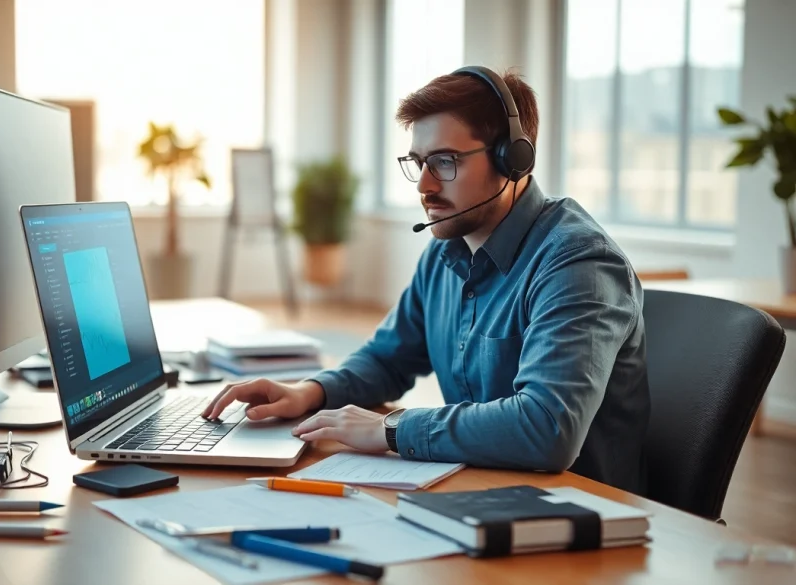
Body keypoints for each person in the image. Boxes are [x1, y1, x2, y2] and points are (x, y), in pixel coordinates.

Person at [202, 66, 650, 494]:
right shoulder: (446, 251)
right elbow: (387, 360)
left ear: (512, 160)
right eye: (418, 162)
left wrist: (391, 429)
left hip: (579, 514)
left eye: (444, 162)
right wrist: (309, 392)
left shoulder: (577, 263)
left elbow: (546, 427)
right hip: (480, 490)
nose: (423, 185)